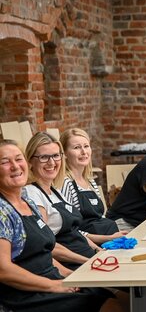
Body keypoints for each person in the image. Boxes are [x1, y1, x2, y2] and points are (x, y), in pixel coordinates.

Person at [0, 139, 125, 312]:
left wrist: (70, 275)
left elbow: (43, 253)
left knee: (124, 299)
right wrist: (53, 285)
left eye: (18, 159)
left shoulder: (27, 202)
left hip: (52, 278)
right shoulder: (2, 211)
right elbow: (3, 270)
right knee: (113, 307)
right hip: (27, 294)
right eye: (5, 162)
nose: (15, 166)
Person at [24, 132, 103, 269]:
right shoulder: (32, 193)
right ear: (30, 161)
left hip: (87, 257)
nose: (51, 162)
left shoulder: (56, 191)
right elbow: (46, 244)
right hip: (71, 264)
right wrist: (87, 261)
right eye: (44, 157)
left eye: (55, 156)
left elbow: (75, 231)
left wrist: (98, 251)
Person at [60, 128, 121, 236]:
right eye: (77, 148)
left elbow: (100, 217)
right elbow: (71, 229)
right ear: (64, 153)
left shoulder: (90, 181)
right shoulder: (66, 183)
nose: (84, 152)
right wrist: (105, 239)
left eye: (86, 146)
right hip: (91, 245)